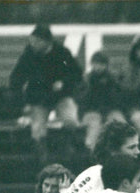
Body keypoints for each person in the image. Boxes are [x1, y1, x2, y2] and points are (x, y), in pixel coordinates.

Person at [8, 24, 83, 160]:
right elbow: (15, 79)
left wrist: (64, 83)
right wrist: (22, 103)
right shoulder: (28, 55)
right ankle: (42, 159)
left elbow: (77, 73)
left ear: (47, 42)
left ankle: (68, 152)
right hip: (39, 98)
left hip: (61, 96)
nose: (33, 44)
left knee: (71, 121)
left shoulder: (62, 52)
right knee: (37, 129)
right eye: (32, 41)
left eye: (36, 41)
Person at [80, 50, 126, 153]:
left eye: (101, 64)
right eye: (96, 64)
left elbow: (119, 98)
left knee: (120, 124)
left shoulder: (113, 79)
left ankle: (123, 152)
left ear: (106, 65)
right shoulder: (87, 79)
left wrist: (111, 86)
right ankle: (90, 153)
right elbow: (82, 100)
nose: (98, 67)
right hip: (92, 110)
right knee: (94, 126)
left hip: (111, 110)